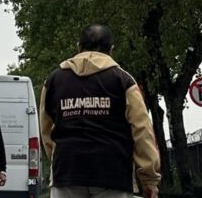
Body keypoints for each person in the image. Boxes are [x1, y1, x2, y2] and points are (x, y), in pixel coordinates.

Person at [40, 24, 161, 198]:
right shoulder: (123, 80)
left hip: (67, 170)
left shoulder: (54, 80)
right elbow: (142, 130)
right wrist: (149, 179)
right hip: (113, 174)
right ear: (111, 50)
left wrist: (58, 158)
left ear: (78, 47)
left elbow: (46, 129)